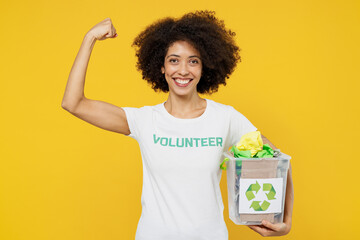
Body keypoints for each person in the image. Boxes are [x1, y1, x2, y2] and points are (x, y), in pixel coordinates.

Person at [61, 10, 293, 239]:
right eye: (174, 60)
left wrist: (286, 221)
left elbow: (280, 163)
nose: (183, 70)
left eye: (193, 61)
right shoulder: (144, 120)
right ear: (161, 67)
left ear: (204, 68)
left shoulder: (225, 118)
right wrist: (89, 38)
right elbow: (74, 103)